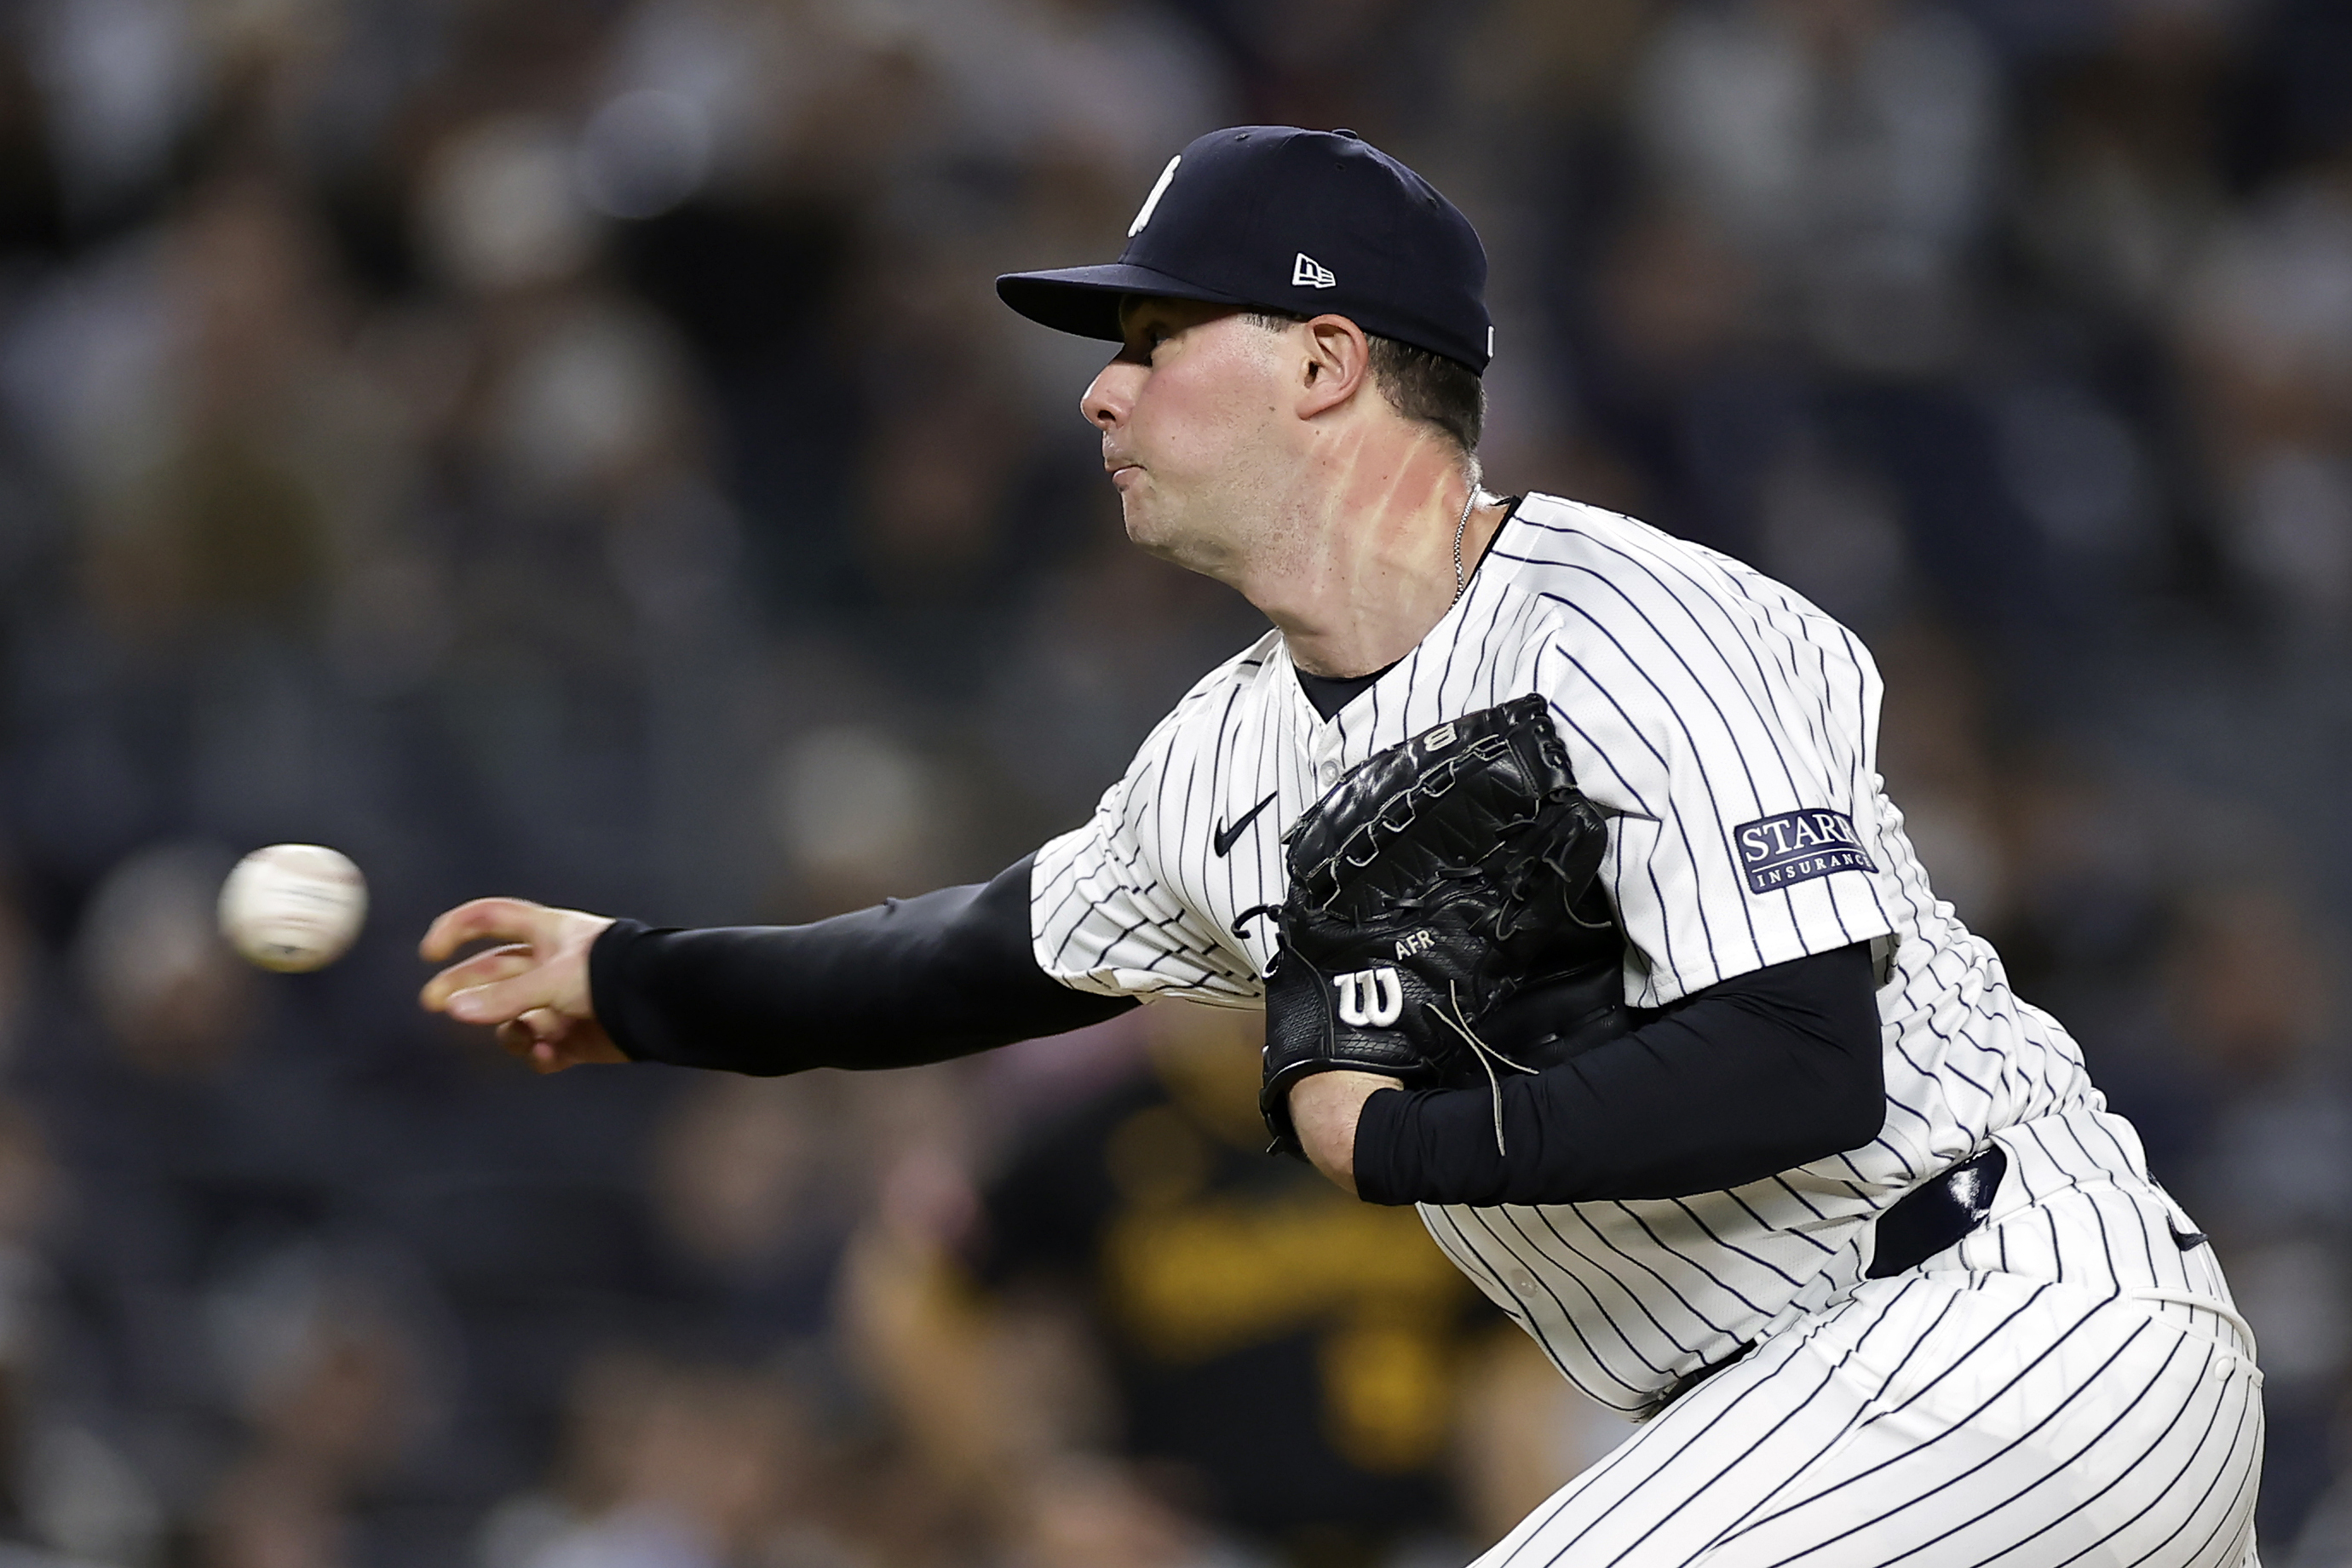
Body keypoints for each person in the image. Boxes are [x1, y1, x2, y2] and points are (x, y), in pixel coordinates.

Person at [421, 127, 2264, 1566]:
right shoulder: (1220, 757)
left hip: (1994, 1329)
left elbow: (1804, 1057)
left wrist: (1397, 1139)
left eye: (1152, 338)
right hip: (1787, 1424)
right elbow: (969, 956)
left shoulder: (1625, 622)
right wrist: (633, 982)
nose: (1099, 391)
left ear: (1320, 363)